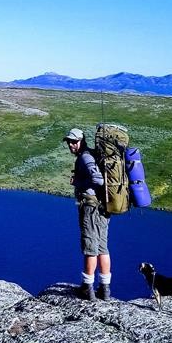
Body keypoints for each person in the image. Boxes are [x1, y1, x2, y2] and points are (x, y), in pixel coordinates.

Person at [64, 127, 111, 300]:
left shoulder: (85, 157)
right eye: (69, 142)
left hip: (91, 208)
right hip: (102, 208)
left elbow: (98, 179)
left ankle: (87, 288)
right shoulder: (91, 154)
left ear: (81, 141)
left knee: (90, 248)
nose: (71, 145)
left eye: (74, 142)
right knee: (102, 247)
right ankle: (105, 290)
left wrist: (79, 181)